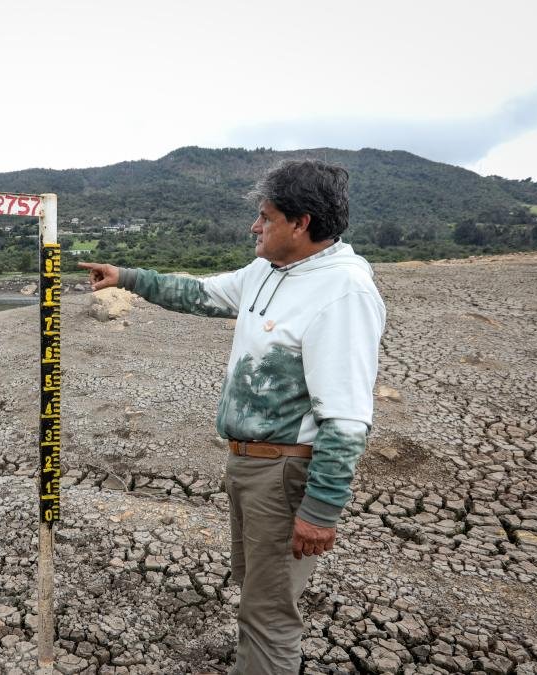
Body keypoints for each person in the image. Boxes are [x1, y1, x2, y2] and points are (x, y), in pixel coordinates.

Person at [78, 159, 386, 674]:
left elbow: (348, 418)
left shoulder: (343, 292)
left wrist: (321, 509)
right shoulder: (268, 271)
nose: (254, 227)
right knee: (256, 596)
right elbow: (199, 293)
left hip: (286, 473)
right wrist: (126, 277)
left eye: (264, 217)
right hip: (248, 465)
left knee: (268, 615)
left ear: (301, 222)